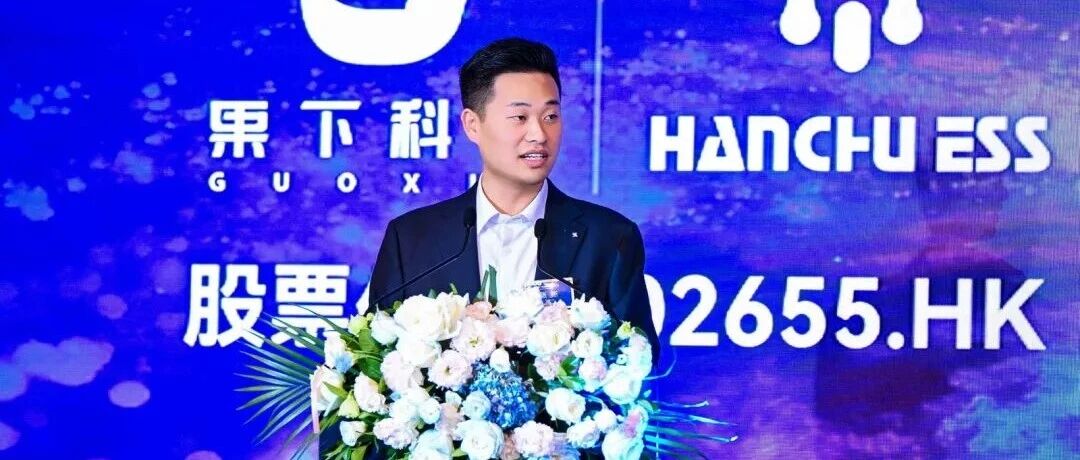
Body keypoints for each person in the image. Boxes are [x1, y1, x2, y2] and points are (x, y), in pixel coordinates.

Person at [320, 37, 659, 456]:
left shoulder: (608, 238)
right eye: (520, 117)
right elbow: (371, 368)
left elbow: (637, 371)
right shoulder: (413, 238)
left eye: (551, 116)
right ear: (472, 125)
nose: (539, 134)